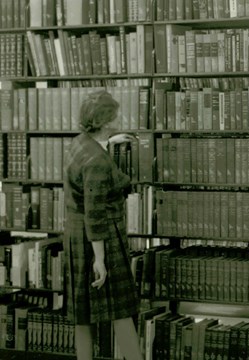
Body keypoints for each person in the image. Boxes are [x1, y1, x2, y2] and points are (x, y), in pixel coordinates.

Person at [63, 90, 143, 360]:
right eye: (115, 115)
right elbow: (95, 212)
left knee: (83, 312)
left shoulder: (81, 143)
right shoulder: (97, 162)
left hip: (76, 233)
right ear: (106, 121)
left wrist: (108, 143)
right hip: (100, 237)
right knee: (120, 310)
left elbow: (86, 187)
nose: (119, 117)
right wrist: (100, 259)